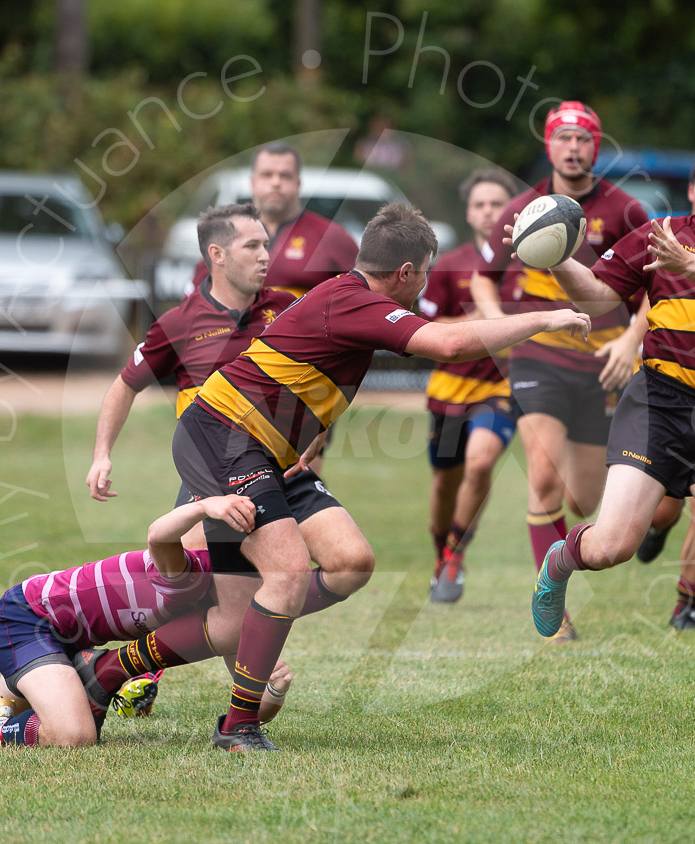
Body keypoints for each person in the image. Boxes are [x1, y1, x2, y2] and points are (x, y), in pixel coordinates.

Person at [78, 203, 590, 751]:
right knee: (288, 573)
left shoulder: (345, 298)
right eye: (424, 271)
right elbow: (448, 344)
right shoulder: (354, 300)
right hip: (223, 441)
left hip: (270, 453)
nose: (423, 282)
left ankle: (109, 672)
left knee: (346, 565)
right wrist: (546, 318)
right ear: (406, 272)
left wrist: (312, 432)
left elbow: (303, 365)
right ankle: (238, 726)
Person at [530, 135, 695, 728]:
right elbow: (602, 296)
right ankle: (562, 559)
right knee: (613, 547)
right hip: (657, 405)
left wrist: (689, 265)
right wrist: (555, 257)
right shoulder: (659, 233)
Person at [84, 203, 375, 700]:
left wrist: (320, 431)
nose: (268, 255)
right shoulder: (178, 322)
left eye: (268, 244)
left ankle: (259, 615)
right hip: (215, 477)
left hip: (282, 468)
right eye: (253, 246)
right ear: (216, 254)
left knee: (352, 562)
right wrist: (101, 455)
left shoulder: (288, 305)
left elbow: (331, 367)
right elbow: (124, 385)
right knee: (189, 600)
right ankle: (122, 665)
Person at [0, 495, 295, 745]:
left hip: (63, 639)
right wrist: (204, 505)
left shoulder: (225, 611)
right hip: (25, 619)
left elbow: (246, 704)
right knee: (74, 735)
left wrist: (271, 691)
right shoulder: (189, 574)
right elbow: (158, 535)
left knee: (3, 706)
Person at [469, 101, 650, 641]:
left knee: (583, 499)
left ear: (596, 147)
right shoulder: (523, 208)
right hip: (536, 358)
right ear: (549, 146)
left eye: (583, 139)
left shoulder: (625, 211)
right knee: (542, 477)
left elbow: (652, 289)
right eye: (563, 138)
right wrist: (500, 328)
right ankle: (555, 610)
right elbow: (482, 277)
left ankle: (559, 559)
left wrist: (631, 344)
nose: (573, 148)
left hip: (601, 364)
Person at [418, 168, 520, 602]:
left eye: (497, 203)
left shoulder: (532, 262)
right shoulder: (450, 264)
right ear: (468, 211)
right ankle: (441, 556)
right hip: (449, 392)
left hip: (502, 390)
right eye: (479, 204)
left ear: (513, 210)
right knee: (445, 482)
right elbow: (421, 327)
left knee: (480, 464)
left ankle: (455, 557)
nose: (488, 212)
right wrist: (476, 322)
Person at [192, 142, 360, 299]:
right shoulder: (226, 236)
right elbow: (194, 305)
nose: (275, 182)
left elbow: (364, 300)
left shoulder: (332, 237)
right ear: (253, 182)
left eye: (285, 176)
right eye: (267, 175)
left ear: (298, 183)